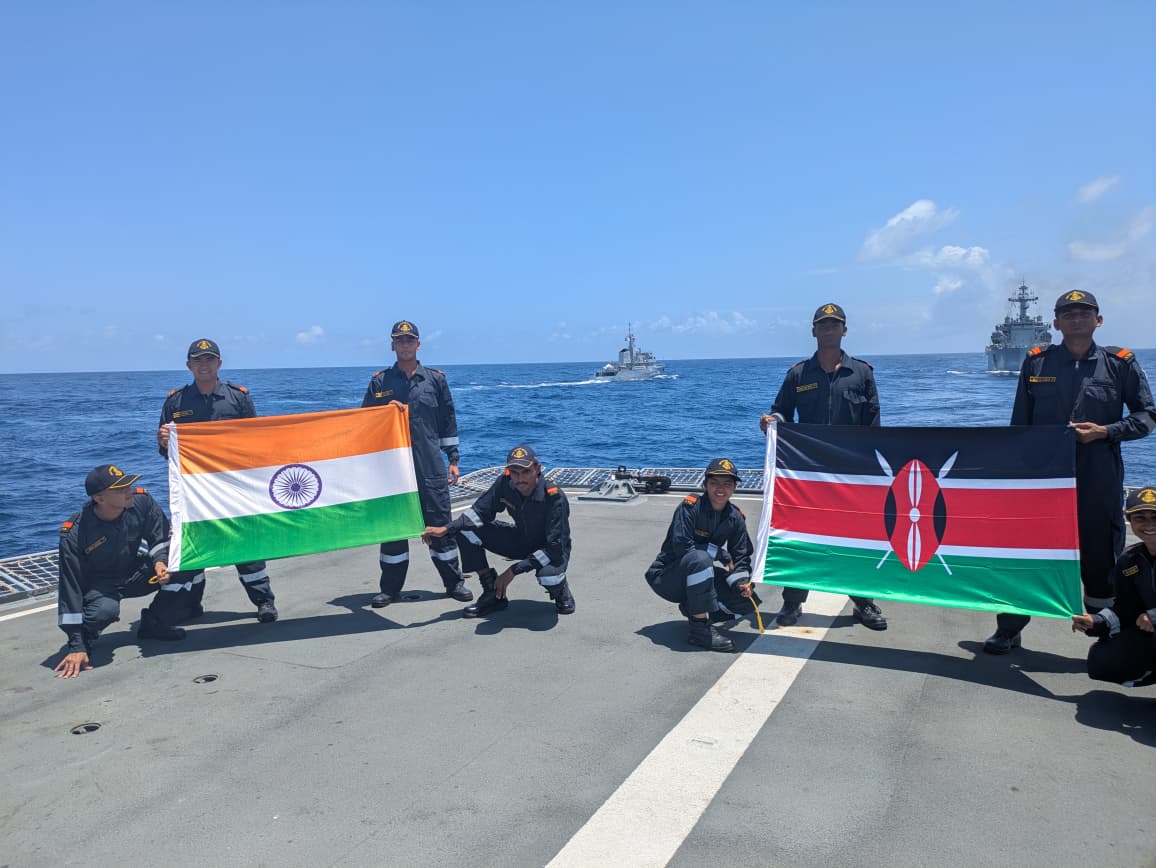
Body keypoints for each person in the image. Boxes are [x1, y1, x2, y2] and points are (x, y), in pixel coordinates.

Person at [985, 290, 1156, 653]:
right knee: (1030, 557)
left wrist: (1106, 431)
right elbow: (1020, 426)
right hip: (1045, 482)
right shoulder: (1036, 363)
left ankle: (1104, 634)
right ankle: (1009, 628)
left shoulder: (1120, 364)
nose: (1076, 318)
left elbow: (1147, 416)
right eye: (1068, 314)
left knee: (1101, 560)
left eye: (1084, 313)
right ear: (1056, 323)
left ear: (1098, 320)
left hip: (1099, 479)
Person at [759, 302, 888, 630]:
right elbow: (782, 411)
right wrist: (772, 422)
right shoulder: (798, 374)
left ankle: (863, 602)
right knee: (801, 538)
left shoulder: (862, 373)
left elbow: (874, 426)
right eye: (823, 324)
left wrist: (874, 475)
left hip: (852, 476)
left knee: (855, 538)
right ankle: (792, 602)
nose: (829, 329)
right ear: (813, 331)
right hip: (809, 475)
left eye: (835, 324)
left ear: (844, 330)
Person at [157, 338, 278, 623]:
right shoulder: (175, 402)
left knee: (245, 545)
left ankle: (264, 601)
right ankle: (191, 604)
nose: (204, 365)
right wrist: (164, 441)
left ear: (219, 363)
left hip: (234, 486)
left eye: (209, 359)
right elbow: (165, 452)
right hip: (194, 490)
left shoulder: (239, 398)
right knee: (196, 545)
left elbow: (254, 442)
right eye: (197, 360)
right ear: (188, 365)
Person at [362, 320, 472, 607]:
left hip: (430, 466)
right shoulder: (379, 382)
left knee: (440, 526)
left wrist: (453, 459)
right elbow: (363, 423)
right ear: (392, 346)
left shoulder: (435, 380)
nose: (405, 345)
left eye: (410, 340)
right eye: (400, 340)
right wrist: (384, 412)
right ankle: (390, 589)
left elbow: (448, 420)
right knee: (394, 530)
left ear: (418, 344)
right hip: (393, 470)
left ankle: (454, 583)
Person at [54, 465, 190, 678]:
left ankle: (155, 622)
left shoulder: (142, 502)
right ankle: (85, 639)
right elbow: (70, 586)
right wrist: (75, 644)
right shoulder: (75, 534)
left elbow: (160, 538)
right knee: (104, 611)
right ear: (99, 498)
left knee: (184, 567)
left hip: (133, 573)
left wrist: (160, 562)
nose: (129, 490)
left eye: (129, 484)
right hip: (100, 587)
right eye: (120, 489)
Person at [423, 445, 574, 617]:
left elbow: (554, 547)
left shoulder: (554, 497)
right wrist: (446, 529)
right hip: (522, 539)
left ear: (537, 469)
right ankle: (492, 593)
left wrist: (513, 570)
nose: (520, 479)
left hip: (551, 550)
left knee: (549, 577)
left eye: (526, 472)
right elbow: (478, 512)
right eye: (515, 473)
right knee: (465, 529)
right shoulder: (505, 483)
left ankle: (561, 591)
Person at [644, 458, 759, 653]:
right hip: (667, 577)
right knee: (700, 558)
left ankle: (693, 608)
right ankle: (700, 631)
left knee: (745, 602)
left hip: (698, 574)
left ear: (735, 487)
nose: (720, 489)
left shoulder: (736, 517)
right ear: (705, 484)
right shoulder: (690, 507)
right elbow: (683, 547)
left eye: (727, 484)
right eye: (714, 483)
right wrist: (721, 554)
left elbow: (741, 556)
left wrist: (742, 583)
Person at [1071, 487, 1156, 687]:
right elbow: (1125, 608)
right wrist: (1096, 621)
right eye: (1140, 517)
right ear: (1129, 520)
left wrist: (1153, 617)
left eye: (1155, 517)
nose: (1149, 524)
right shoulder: (1129, 560)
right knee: (1103, 661)